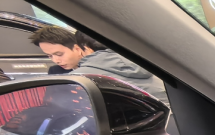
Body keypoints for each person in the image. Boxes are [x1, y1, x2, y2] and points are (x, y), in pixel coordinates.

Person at [28, 24, 166, 100]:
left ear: (78, 48)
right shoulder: (56, 72)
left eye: (59, 54)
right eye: (49, 56)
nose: (56, 60)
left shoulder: (82, 74)